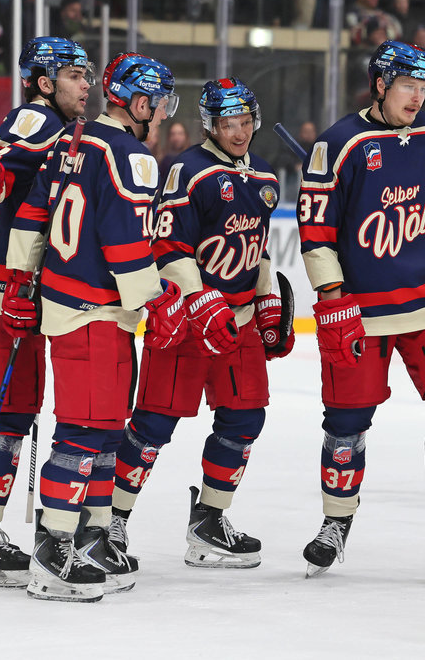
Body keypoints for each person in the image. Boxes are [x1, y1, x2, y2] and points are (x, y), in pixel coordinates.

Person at [296, 40, 425, 580]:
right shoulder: (340, 143)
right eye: (408, 86)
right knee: (347, 422)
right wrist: (331, 297)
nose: (417, 97)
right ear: (380, 84)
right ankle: (336, 523)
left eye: (424, 88)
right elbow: (316, 231)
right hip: (364, 308)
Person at [5, 51, 183, 602]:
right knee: (85, 430)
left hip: (71, 303)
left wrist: (20, 277)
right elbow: (124, 238)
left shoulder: (69, 141)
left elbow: (34, 211)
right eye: (159, 103)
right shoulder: (131, 154)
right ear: (140, 102)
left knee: (105, 428)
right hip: (95, 310)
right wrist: (156, 301)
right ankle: (54, 549)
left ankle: (95, 536)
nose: (162, 114)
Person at [110, 78, 294, 568]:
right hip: (188, 321)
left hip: (239, 325)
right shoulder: (188, 171)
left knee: (245, 417)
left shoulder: (266, 178)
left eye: (246, 122)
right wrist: (200, 298)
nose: (239, 133)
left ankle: (210, 520)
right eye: (228, 124)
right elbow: (168, 248)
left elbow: (256, 249)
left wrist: (267, 297)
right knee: (153, 424)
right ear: (211, 125)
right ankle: (110, 521)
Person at [0, 36, 93, 590]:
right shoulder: (35, 117)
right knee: (9, 407)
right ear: (44, 81)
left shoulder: (49, 123)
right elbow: (3, 163)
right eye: (74, 76)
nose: (86, 86)